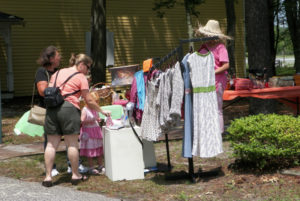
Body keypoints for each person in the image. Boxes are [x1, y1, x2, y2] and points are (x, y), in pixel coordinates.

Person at [42, 53, 110, 187]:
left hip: (52, 109)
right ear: (81, 65)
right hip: (69, 109)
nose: (88, 71)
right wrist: (101, 111)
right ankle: (75, 174)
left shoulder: (57, 73)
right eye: (88, 67)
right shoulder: (80, 77)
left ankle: (48, 177)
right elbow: (89, 100)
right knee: (72, 144)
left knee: (51, 145)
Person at [196, 19, 232, 133]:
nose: (208, 36)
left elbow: (226, 65)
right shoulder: (203, 46)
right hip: (204, 82)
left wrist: (212, 73)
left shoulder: (220, 47)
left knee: (217, 108)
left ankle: (218, 133)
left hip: (217, 81)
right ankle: (209, 132)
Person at [35, 46, 60, 177]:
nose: (60, 58)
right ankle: (51, 167)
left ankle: (71, 165)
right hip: (47, 111)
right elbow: (42, 91)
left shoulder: (58, 71)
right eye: (58, 55)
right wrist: (58, 88)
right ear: (51, 58)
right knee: (49, 140)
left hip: (59, 109)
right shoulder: (41, 72)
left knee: (66, 138)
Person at [79, 92, 104, 175]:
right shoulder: (85, 110)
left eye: (97, 102)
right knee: (90, 150)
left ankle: (100, 165)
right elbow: (81, 120)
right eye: (94, 102)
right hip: (89, 132)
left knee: (98, 148)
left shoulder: (95, 110)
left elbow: (96, 117)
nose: (96, 104)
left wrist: (98, 119)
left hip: (96, 131)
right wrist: (91, 120)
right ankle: (91, 167)